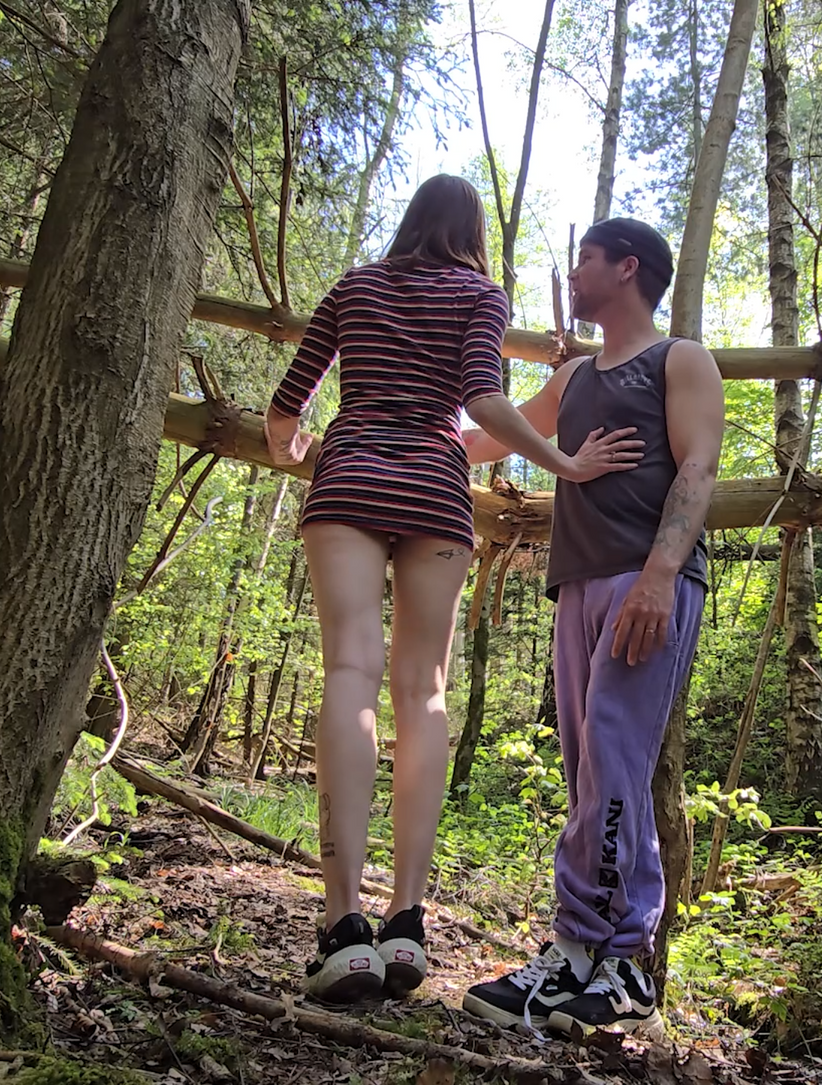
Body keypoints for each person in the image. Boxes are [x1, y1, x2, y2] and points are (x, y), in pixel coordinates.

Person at [262, 176, 645, 1004]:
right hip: (434, 489)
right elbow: (476, 401)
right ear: (471, 231)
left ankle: (340, 928)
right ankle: (405, 919)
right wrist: (566, 463)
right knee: (423, 694)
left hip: (351, 474)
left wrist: (295, 447)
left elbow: (286, 406)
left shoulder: (354, 286)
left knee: (349, 674)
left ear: (408, 222)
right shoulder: (480, 293)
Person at [458, 218, 724, 1034]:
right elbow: (492, 433)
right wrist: (380, 436)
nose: (574, 273)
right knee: (586, 763)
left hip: (651, 582)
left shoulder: (681, 359)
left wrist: (658, 574)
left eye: (586, 260)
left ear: (627, 267)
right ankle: (576, 954)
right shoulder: (573, 381)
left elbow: (699, 465)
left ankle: (624, 963)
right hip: (575, 584)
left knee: (614, 749)